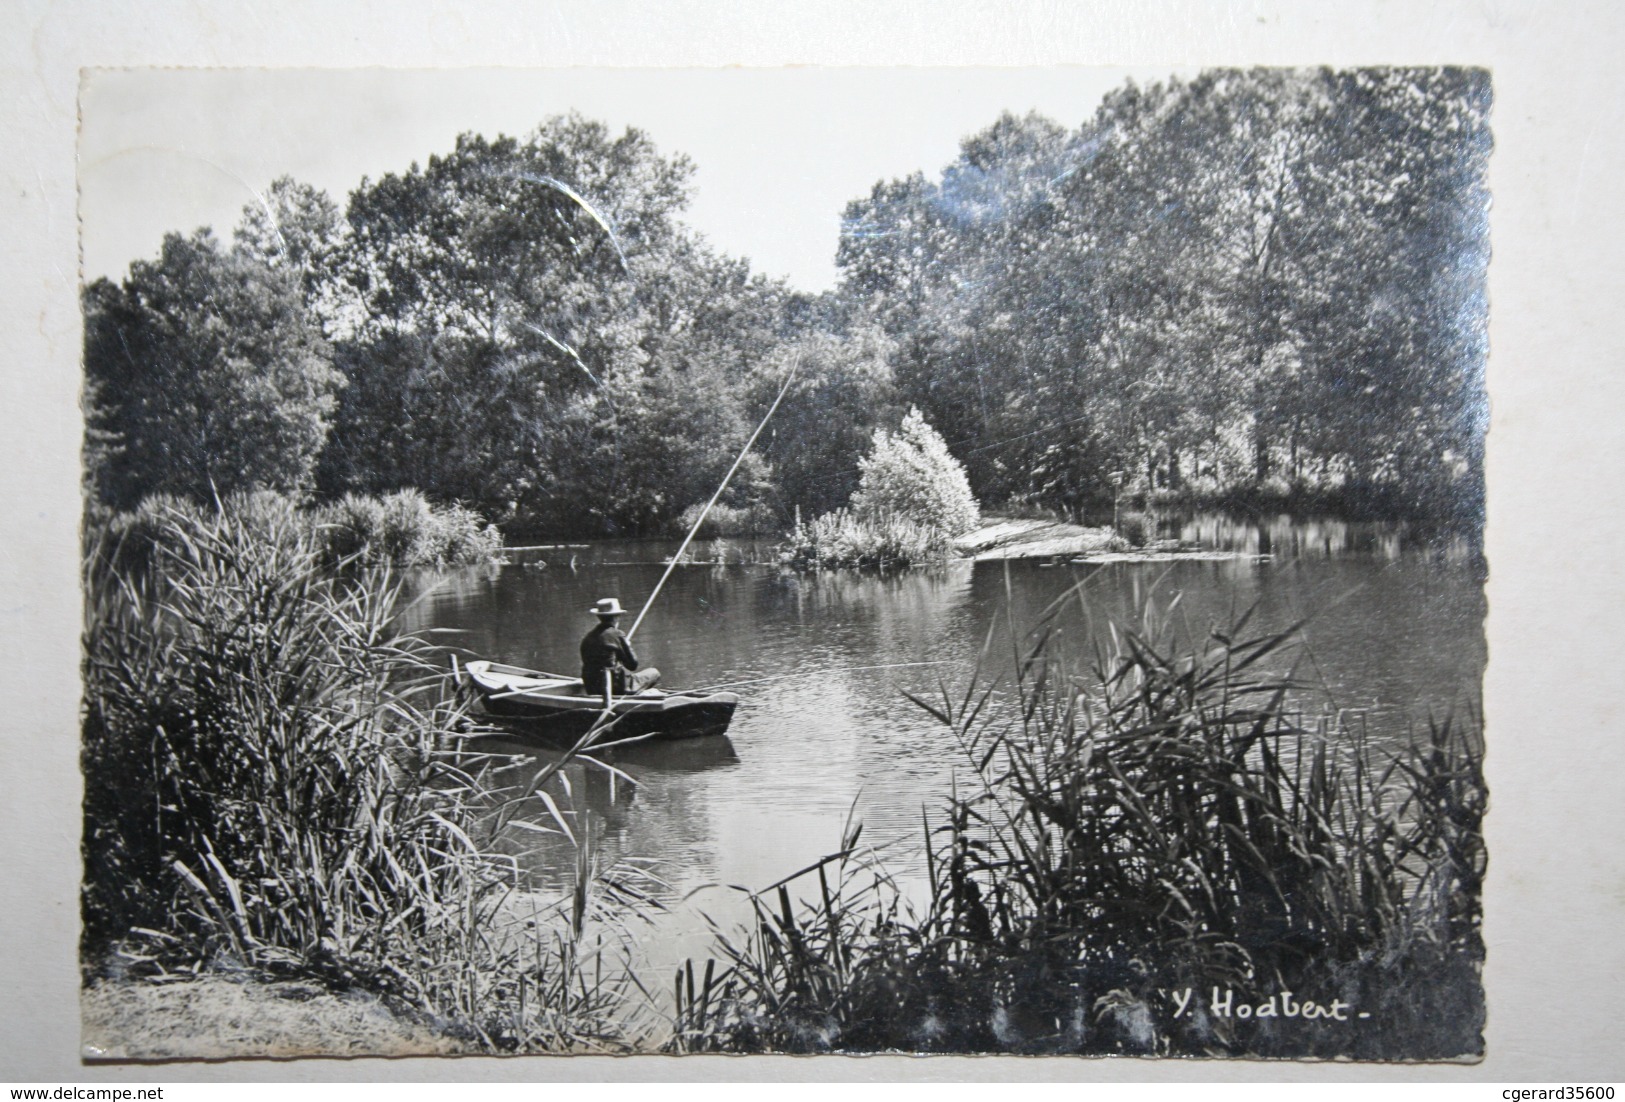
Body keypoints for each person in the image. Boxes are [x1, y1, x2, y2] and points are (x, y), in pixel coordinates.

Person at [579, 597, 661, 698]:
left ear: (599, 617)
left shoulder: (588, 637)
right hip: (616, 688)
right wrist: (628, 646)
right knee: (654, 673)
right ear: (616, 617)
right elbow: (633, 665)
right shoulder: (617, 634)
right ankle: (636, 695)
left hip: (592, 688)